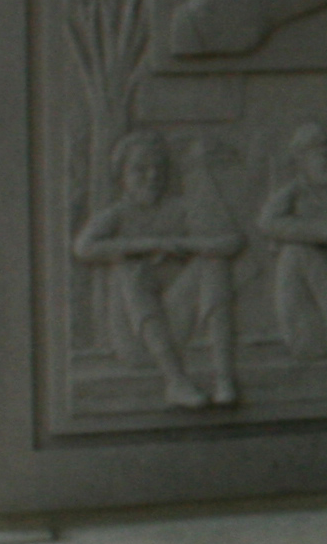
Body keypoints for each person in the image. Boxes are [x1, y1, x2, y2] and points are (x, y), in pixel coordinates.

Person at [71, 130, 243, 410]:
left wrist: (181, 244)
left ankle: (224, 378)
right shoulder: (116, 215)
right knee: (130, 267)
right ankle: (175, 381)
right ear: (122, 176)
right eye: (140, 170)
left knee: (213, 261)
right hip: (136, 340)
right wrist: (150, 244)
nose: (152, 176)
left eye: (158, 169)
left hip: (177, 327)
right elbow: (82, 247)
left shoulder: (180, 208)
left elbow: (232, 241)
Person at [255, 122, 327, 363]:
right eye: (325, 156)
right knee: (298, 248)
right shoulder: (293, 194)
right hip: (314, 330)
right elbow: (267, 223)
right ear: (302, 160)